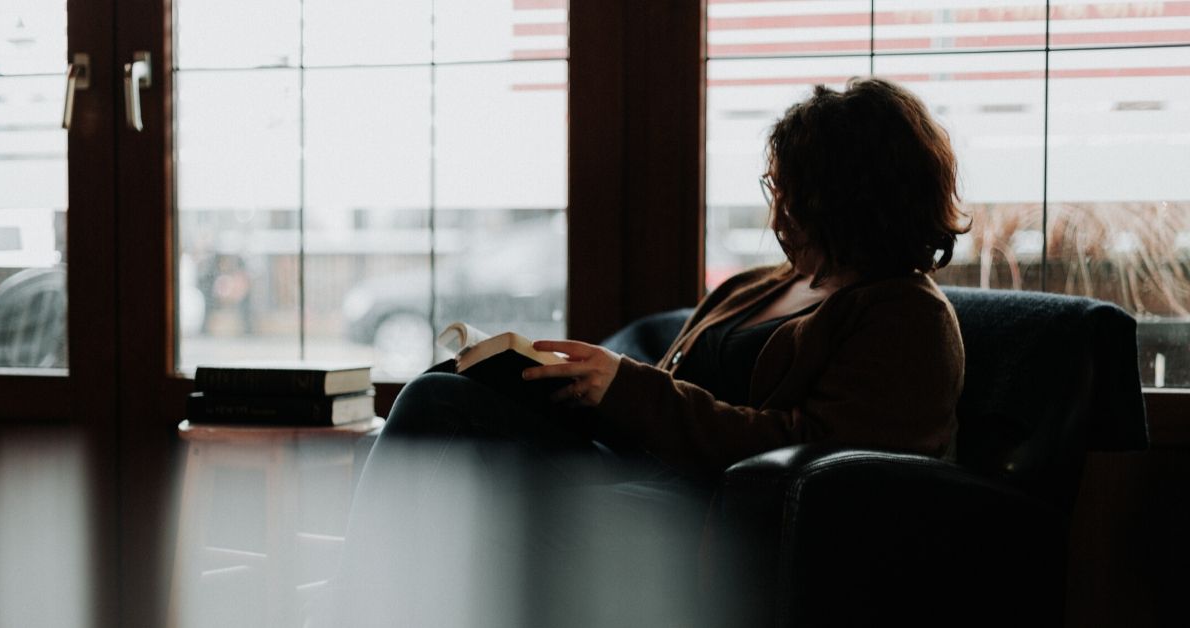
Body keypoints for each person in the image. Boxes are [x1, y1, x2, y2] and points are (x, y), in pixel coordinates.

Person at [337, 77, 969, 627]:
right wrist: (580, 383)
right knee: (453, 387)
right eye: (779, 190)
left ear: (852, 199)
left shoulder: (906, 316)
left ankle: (356, 614)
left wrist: (628, 388)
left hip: (705, 507)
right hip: (641, 467)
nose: (780, 216)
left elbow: (820, 457)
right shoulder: (765, 284)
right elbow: (670, 385)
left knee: (437, 407)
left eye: (796, 195)